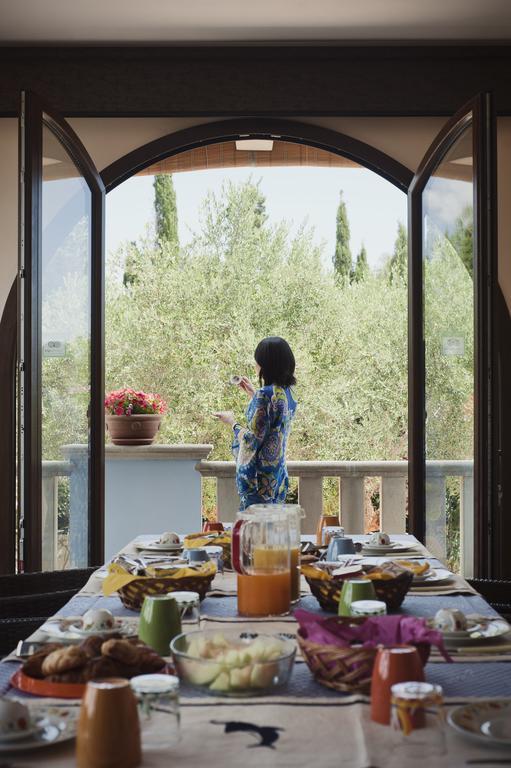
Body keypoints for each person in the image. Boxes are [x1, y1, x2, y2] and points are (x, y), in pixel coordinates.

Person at [213, 336, 297, 510]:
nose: (255, 365)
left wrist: (232, 422)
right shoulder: (287, 393)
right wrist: (253, 394)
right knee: (273, 529)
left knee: (256, 531)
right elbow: (274, 422)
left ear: (266, 364)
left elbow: (252, 440)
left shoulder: (265, 395)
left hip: (259, 480)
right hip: (278, 475)